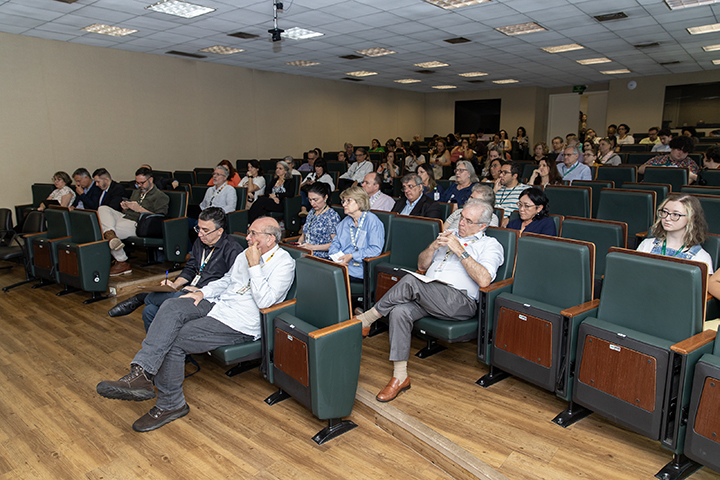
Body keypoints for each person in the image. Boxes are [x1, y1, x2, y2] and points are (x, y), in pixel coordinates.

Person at [96, 217, 294, 432]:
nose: (247, 237)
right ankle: (141, 373)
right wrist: (202, 292)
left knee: (176, 339)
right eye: (249, 232)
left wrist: (254, 265)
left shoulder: (284, 263)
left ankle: (171, 404)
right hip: (219, 305)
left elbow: (265, 302)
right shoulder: (244, 255)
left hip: (241, 322)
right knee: (172, 306)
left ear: (270, 238)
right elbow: (227, 281)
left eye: (253, 234)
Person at [355, 201, 503, 402]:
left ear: (482, 226)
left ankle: (367, 318)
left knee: (409, 280)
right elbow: (421, 265)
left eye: (469, 221)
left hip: (460, 301)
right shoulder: (450, 236)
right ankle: (400, 377)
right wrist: (433, 246)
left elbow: (485, 279)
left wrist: (460, 250)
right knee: (399, 311)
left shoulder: (491, 245)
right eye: (461, 217)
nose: (461, 224)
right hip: (430, 293)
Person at [108, 207, 244, 328]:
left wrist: (201, 290)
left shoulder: (232, 250)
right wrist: (174, 284)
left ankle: (141, 297)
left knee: (175, 298)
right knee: (149, 311)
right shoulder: (200, 242)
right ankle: (163, 351)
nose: (200, 234)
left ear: (219, 231)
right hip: (190, 290)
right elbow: (190, 268)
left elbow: (233, 284)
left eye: (205, 230)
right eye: (198, 228)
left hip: (209, 298)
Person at [98, 167, 169, 276]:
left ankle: (122, 261)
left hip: (139, 223)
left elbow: (159, 217)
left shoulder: (160, 196)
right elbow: (127, 211)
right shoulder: (136, 193)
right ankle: (110, 235)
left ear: (150, 180)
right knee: (103, 208)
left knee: (104, 228)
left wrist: (139, 209)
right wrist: (125, 207)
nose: (139, 186)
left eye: (142, 183)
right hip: (126, 217)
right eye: (137, 183)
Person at [637, 194, 713, 273]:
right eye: (665, 212)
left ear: (691, 218)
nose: (667, 218)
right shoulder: (647, 245)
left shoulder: (701, 257)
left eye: (676, 214)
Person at [329, 186, 384, 282]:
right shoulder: (345, 222)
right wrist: (336, 258)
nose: (344, 205)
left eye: (348, 201)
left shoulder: (372, 221)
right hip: (341, 265)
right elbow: (335, 243)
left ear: (360, 202)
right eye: (343, 201)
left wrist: (352, 256)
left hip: (360, 269)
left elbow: (375, 249)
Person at [297, 182, 341, 259]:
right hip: (306, 251)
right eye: (310, 200)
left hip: (320, 256)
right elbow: (304, 235)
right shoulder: (311, 212)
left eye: (315, 200)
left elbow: (336, 244)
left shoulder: (331, 216)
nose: (312, 203)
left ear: (325, 197)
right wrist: (299, 243)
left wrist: (312, 247)